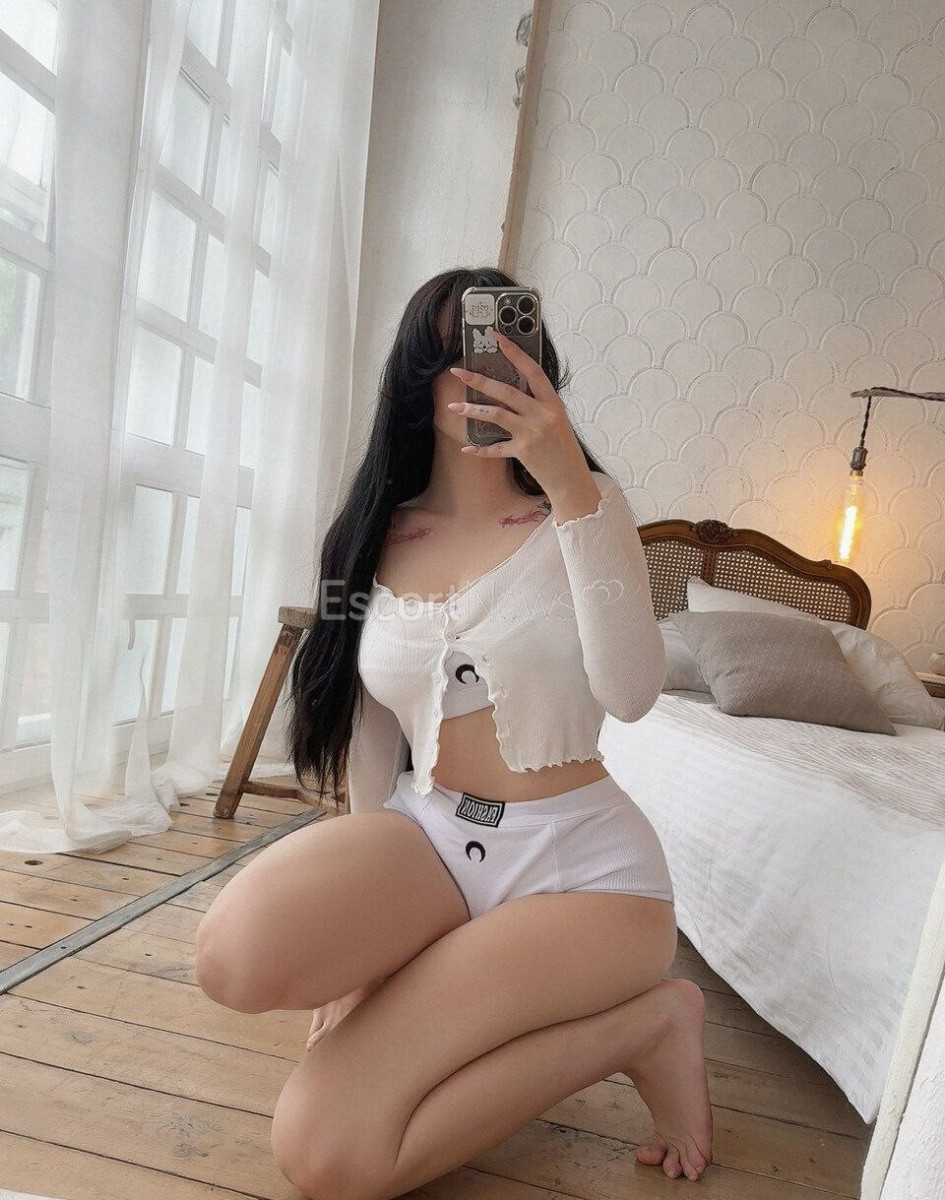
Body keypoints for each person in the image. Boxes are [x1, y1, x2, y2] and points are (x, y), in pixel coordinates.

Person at [194, 267, 714, 1197]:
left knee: (327, 1156)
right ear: (410, 377)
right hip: (427, 839)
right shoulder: (367, 537)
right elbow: (368, 737)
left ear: (538, 363)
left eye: (500, 348)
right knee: (230, 955)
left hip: (583, 877)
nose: (472, 374)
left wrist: (569, 482)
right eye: (446, 355)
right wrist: (360, 956)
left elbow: (632, 693)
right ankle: (457, 969)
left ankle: (647, 1026)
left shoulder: (584, 509)